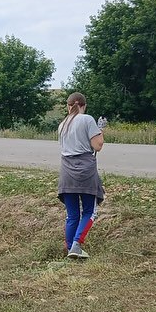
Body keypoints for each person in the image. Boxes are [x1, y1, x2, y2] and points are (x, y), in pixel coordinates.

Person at [57, 92, 104, 259]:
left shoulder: (62, 124)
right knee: (90, 211)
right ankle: (77, 245)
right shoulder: (87, 119)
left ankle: (70, 248)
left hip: (66, 172)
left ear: (68, 106)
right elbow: (97, 146)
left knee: (72, 214)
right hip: (85, 171)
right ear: (84, 105)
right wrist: (101, 132)